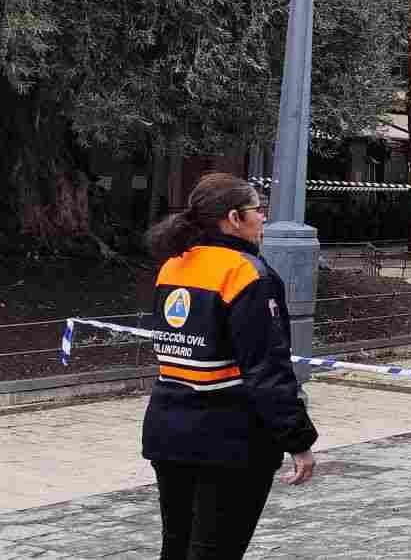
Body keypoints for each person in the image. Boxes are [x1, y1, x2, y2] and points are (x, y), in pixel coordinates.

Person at [142, 173, 319, 559]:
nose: (264, 219)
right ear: (234, 218)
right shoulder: (246, 273)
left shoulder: (174, 265)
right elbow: (266, 369)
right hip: (229, 439)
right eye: (259, 210)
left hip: (168, 430)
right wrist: (299, 440)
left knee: (176, 547)